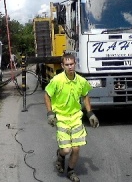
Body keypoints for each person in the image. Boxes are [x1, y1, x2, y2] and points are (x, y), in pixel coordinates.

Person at [44, 53, 99, 182]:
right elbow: (47, 95)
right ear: (63, 66)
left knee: (76, 148)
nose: (70, 67)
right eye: (67, 65)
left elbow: (85, 96)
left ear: (75, 64)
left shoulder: (81, 81)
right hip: (62, 118)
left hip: (75, 117)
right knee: (66, 149)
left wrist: (90, 113)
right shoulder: (57, 80)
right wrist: (50, 113)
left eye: (72, 64)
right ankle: (61, 155)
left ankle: (71, 171)